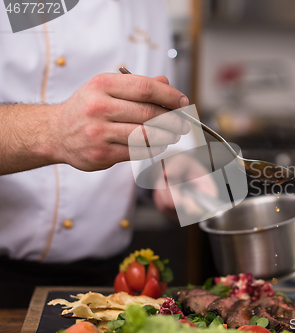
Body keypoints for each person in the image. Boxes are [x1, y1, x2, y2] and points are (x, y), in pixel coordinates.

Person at [0, 0, 205, 307]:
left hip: (116, 280)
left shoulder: (152, 6)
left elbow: (157, 115)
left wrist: (172, 170)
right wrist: (55, 130)